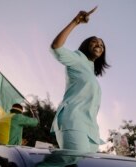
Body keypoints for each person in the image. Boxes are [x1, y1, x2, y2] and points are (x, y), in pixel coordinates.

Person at [50, 7, 110, 153]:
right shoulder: (77, 58)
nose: (99, 45)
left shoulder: (90, 71)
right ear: (85, 45)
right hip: (73, 123)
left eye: (102, 45)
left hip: (91, 130)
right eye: (95, 42)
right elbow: (56, 47)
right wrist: (76, 21)